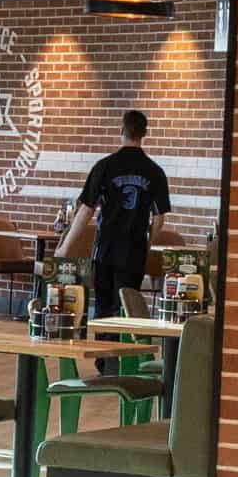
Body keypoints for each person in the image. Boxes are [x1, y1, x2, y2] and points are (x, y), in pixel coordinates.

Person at [64, 109, 170, 319]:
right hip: (134, 250)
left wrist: (66, 246)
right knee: (127, 308)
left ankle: (104, 349)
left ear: (121, 130)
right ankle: (124, 349)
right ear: (144, 134)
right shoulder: (155, 172)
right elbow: (158, 219)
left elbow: (86, 210)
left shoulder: (104, 166)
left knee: (104, 308)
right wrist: (147, 244)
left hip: (106, 248)